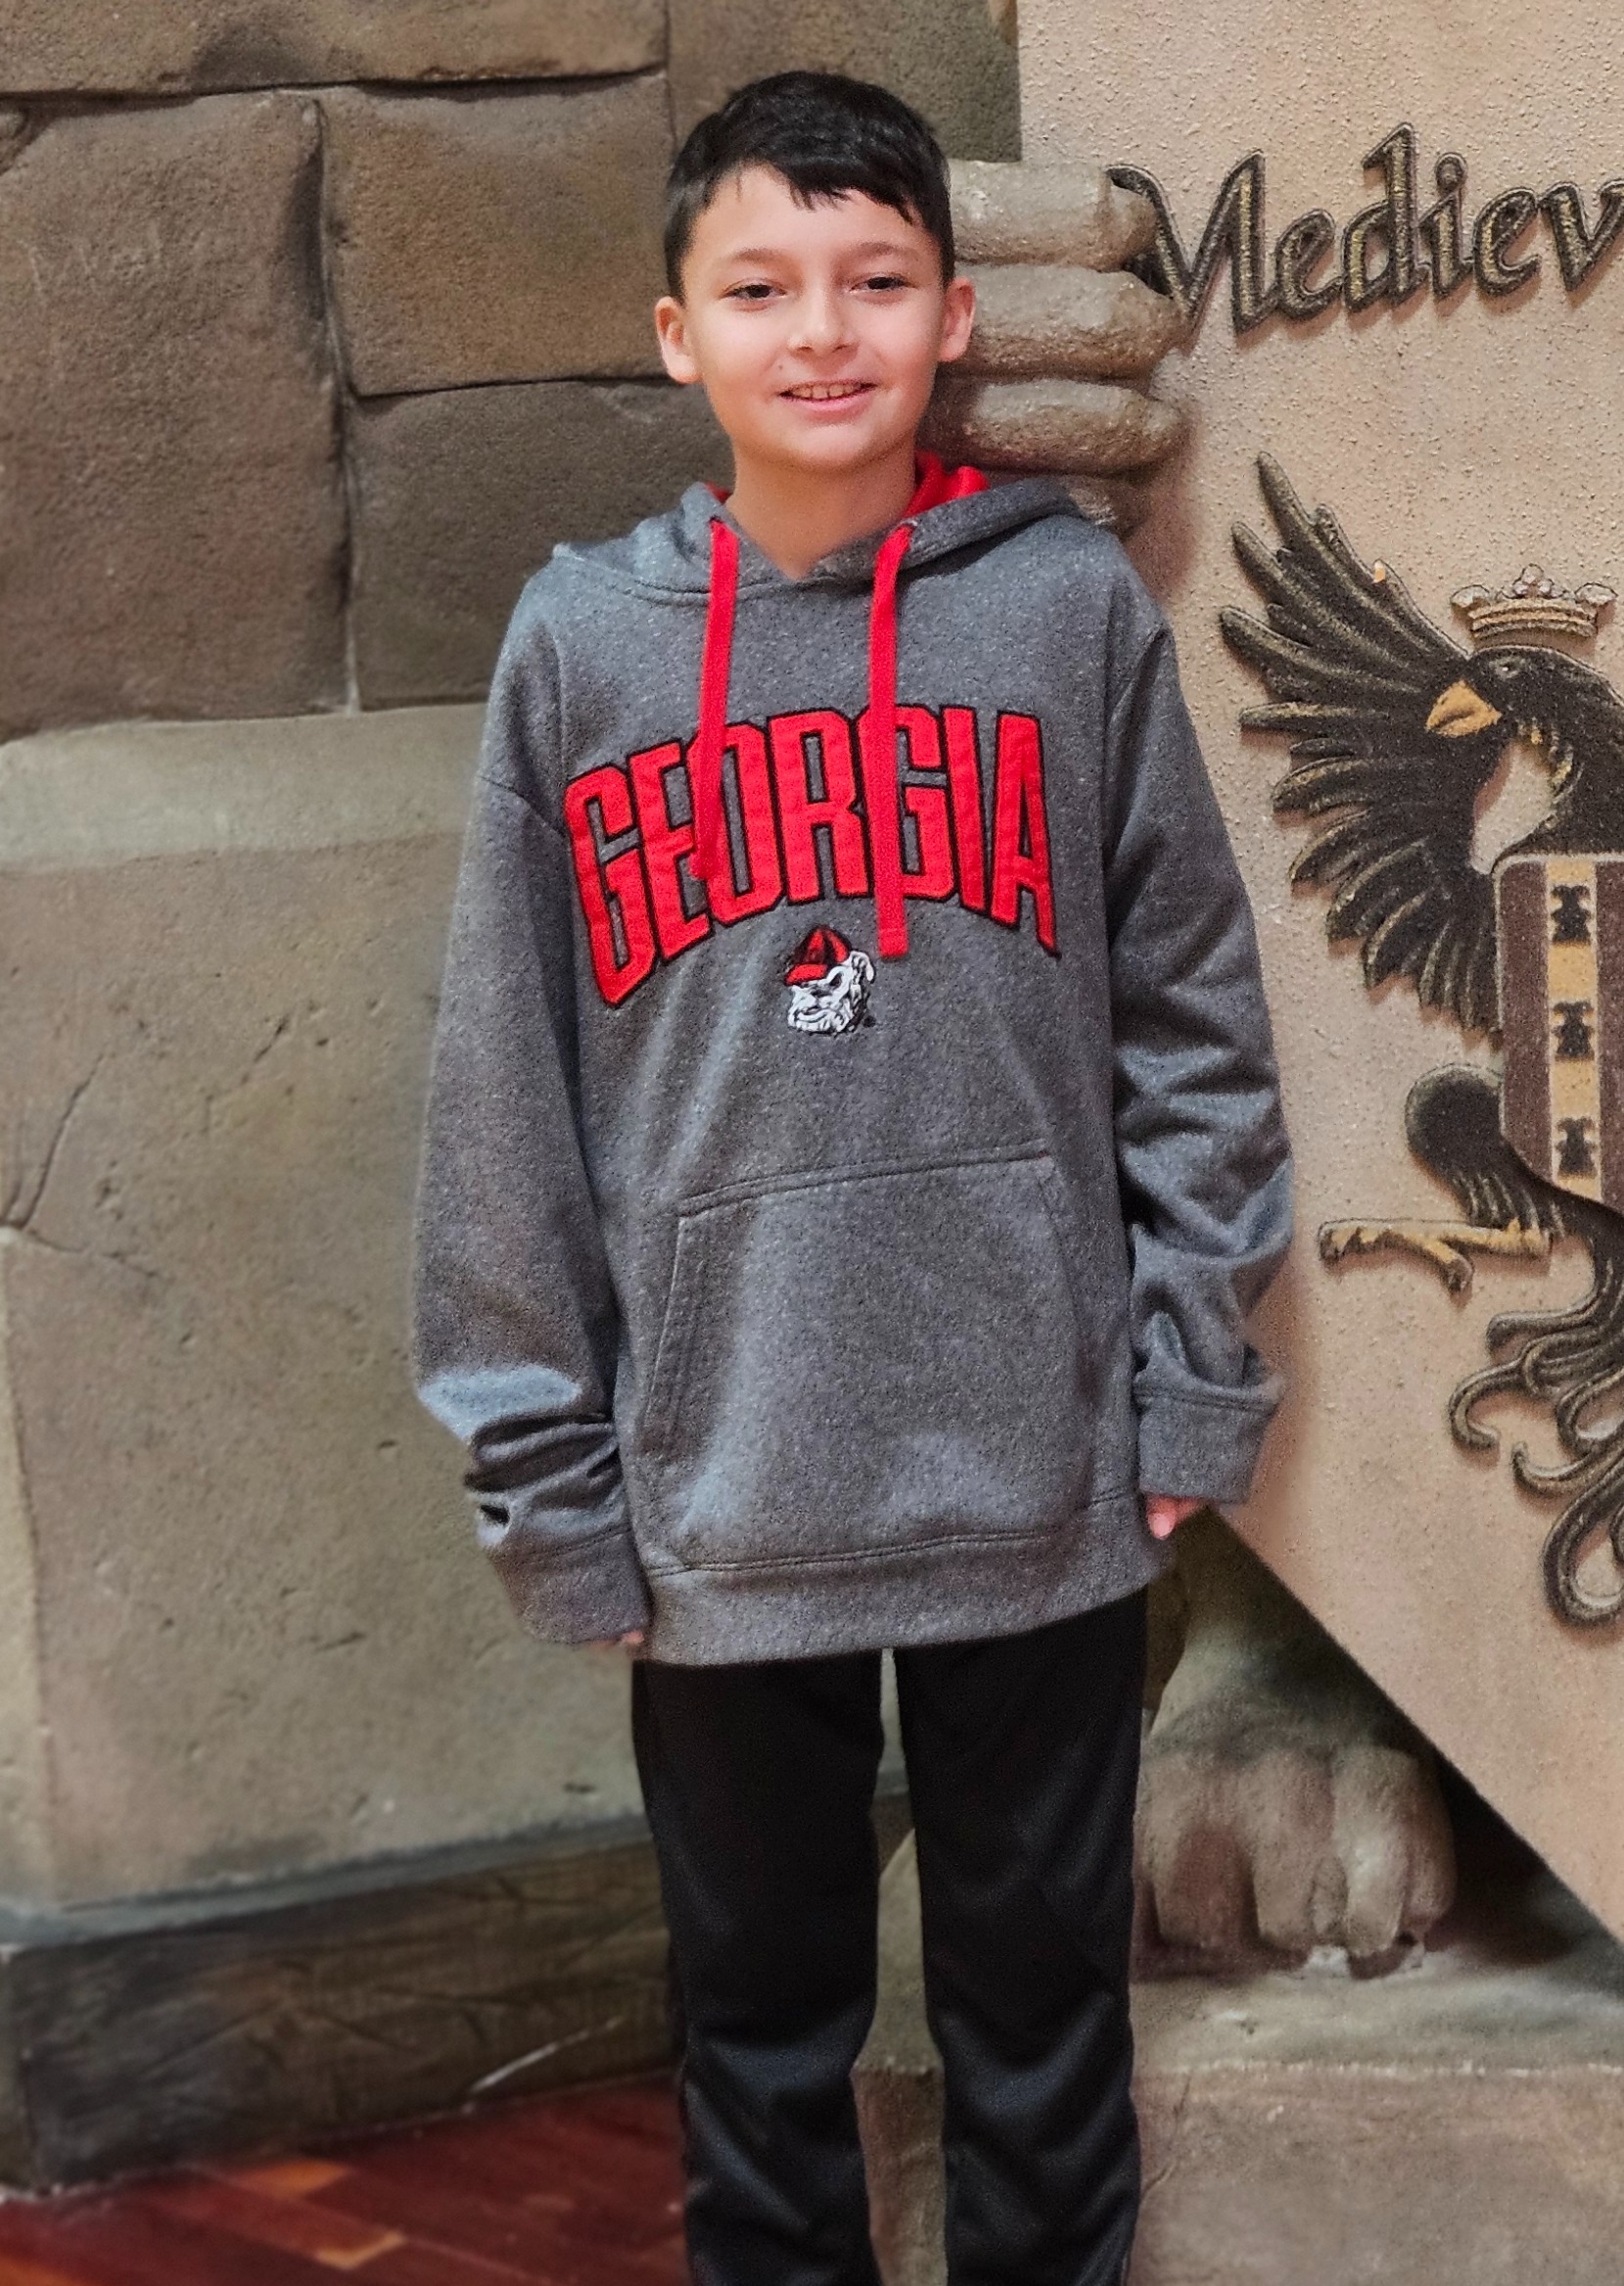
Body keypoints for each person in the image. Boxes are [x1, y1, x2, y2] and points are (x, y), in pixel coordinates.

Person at [411, 68, 1292, 2286]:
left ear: (953, 318)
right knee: (760, 2052)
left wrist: (1190, 1381)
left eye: (876, 280)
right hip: (717, 1486)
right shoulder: (580, 650)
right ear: (674, 333)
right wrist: (544, 1478)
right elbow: (505, 1093)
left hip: (1036, 1465)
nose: (822, 332)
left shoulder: (1063, 616)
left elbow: (1192, 1023)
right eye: (761, 287)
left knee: (1041, 2048)